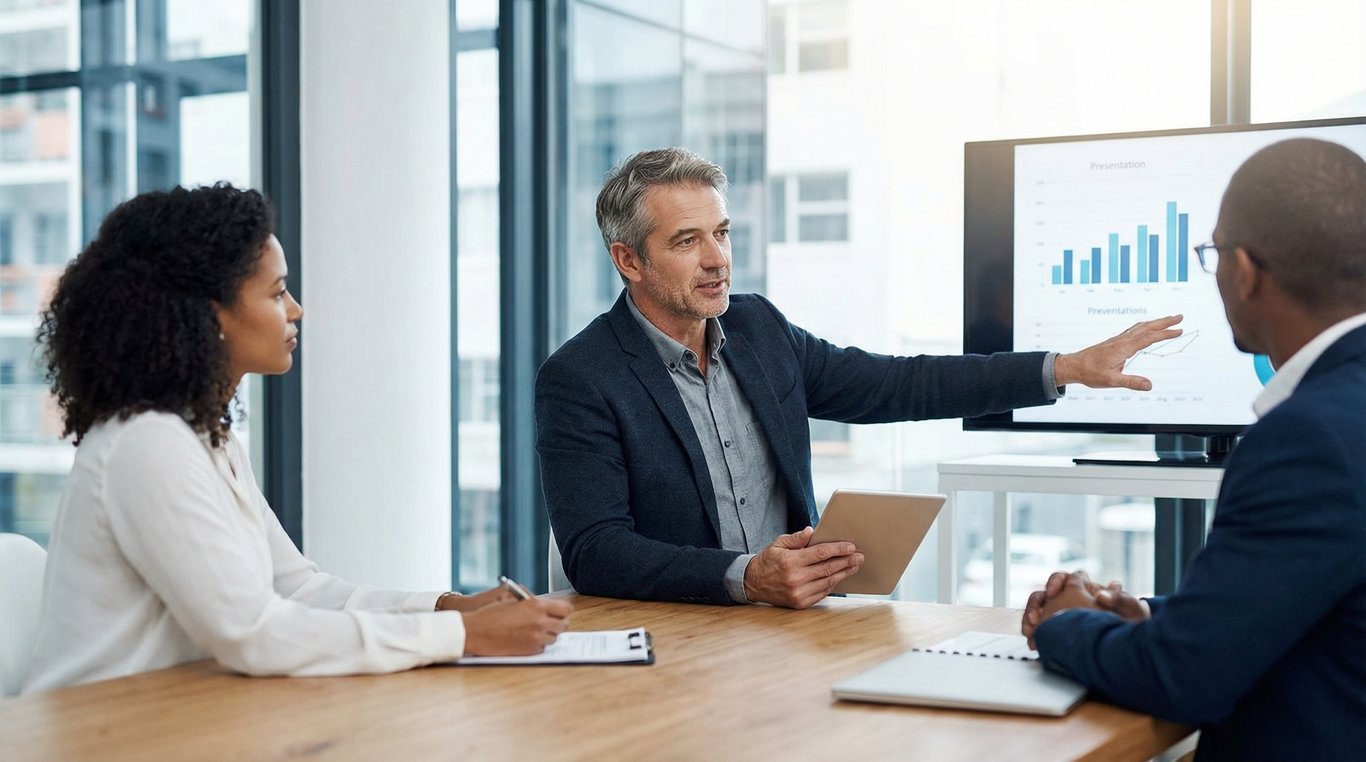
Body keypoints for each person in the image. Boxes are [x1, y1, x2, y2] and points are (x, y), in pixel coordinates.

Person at [536, 146, 1182, 608]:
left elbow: (898, 384)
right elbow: (597, 549)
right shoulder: (581, 377)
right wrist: (743, 575)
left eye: (723, 233)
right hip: (670, 641)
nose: (717, 260)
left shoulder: (760, 330)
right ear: (629, 260)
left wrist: (1063, 368)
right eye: (687, 241)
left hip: (791, 629)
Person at [23, 184, 572, 694]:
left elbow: (300, 589)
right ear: (211, 316)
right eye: (278, 292)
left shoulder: (204, 437)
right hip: (102, 733)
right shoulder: (146, 445)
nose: (296, 310)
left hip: (184, 714)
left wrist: (452, 609)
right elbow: (251, 633)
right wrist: (464, 638)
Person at [1021, 138, 1366, 760]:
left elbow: (1182, 680)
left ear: (1244, 270)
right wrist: (1157, 618)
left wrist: (1065, 623)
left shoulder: (1307, 438)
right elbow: (1322, 595)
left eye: (1211, 255)